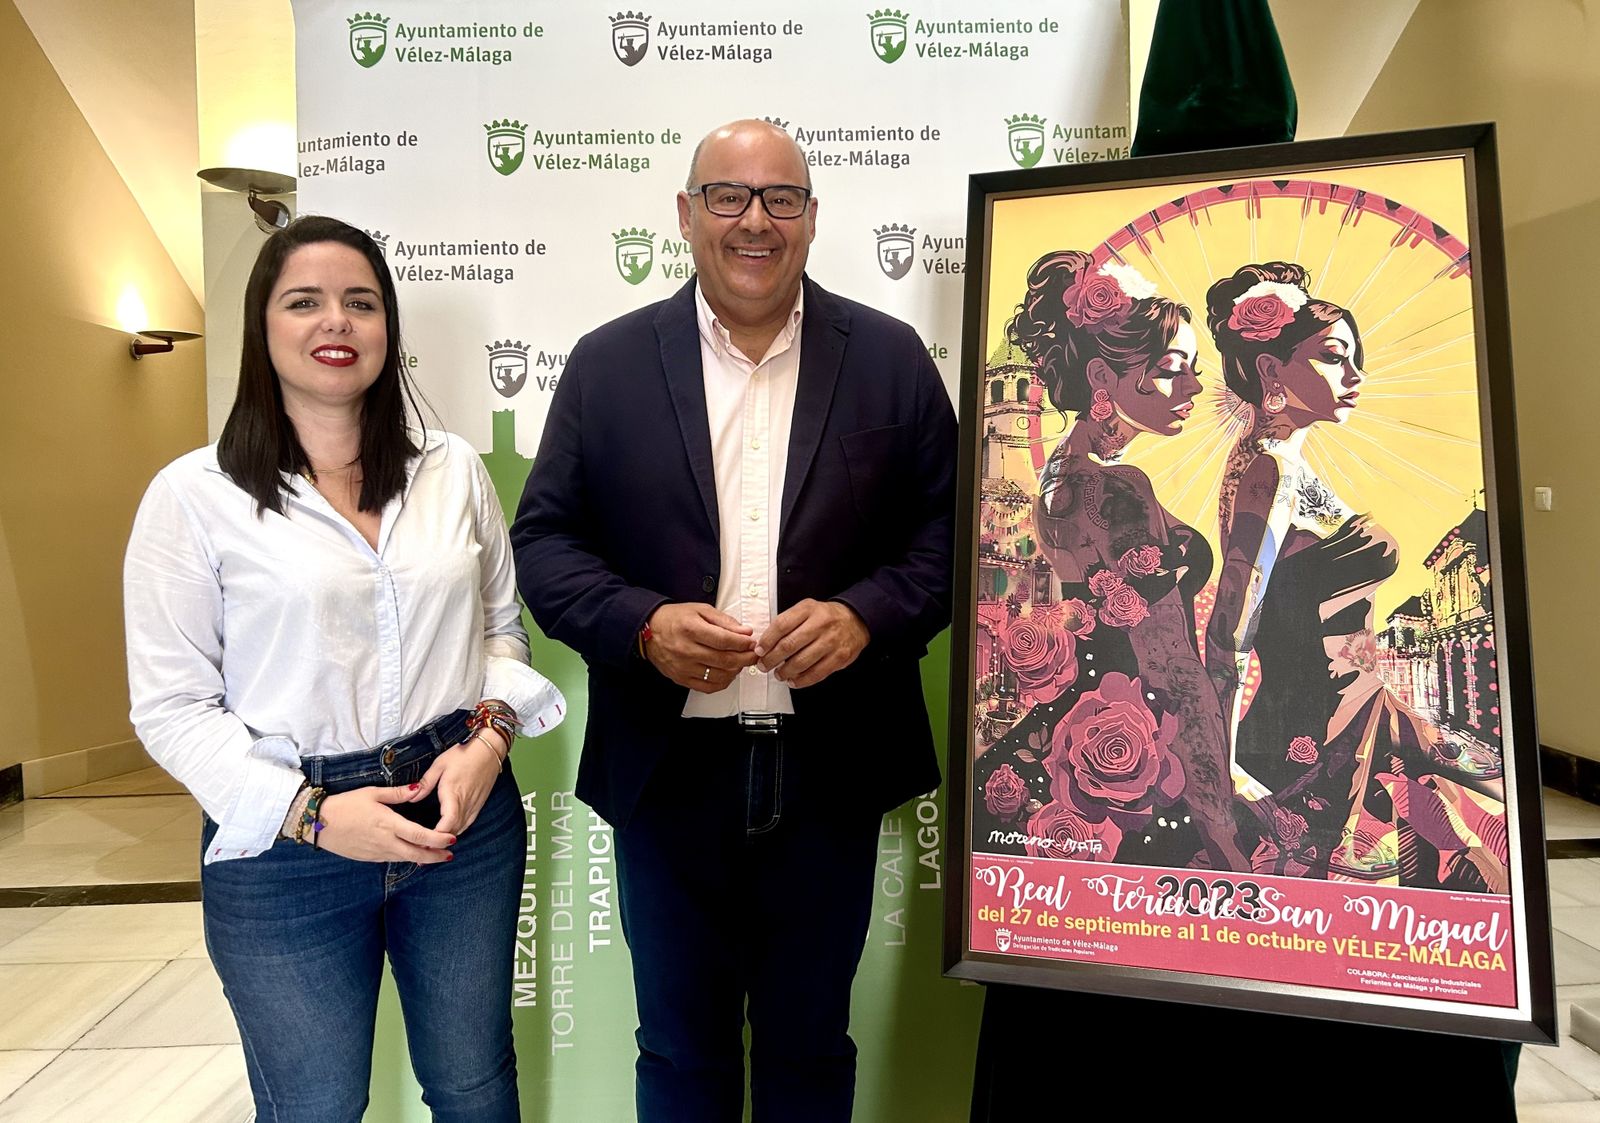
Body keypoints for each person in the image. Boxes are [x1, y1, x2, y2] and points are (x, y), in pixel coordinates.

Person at [511, 119, 955, 1122]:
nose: (755, 220)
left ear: (811, 217)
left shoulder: (888, 358)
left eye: (780, 198)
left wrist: (865, 615)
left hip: (831, 768)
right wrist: (642, 626)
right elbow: (543, 544)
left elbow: (955, 535)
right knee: (679, 1053)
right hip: (669, 772)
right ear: (686, 213)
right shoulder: (607, 364)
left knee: (811, 1048)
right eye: (728, 196)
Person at [123, 215, 564, 1123]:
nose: (337, 321)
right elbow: (171, 706)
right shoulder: (194, 496)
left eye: (361, 302)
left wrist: (489, 742)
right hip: (284, 846)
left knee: (477, 1089)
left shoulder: (451, 469)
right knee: (315, 1105)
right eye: (305, 302)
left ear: (387, 328)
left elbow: (500, 630)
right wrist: (314, 814)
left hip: (459, 814)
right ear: (262, 326)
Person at [1203, 262, 1505, 889]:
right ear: (1271, 370)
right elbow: (1232, 626)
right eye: (1335, 357)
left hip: (1363, 715)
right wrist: (1221, 764)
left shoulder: (1284, 467)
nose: (1356, 375)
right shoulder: (1268, 470)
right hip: (1315, 732)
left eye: (1355, 357)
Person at [972, 249, 1245, 873]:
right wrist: (1219, 822)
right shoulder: (1120, 489)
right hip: (1144, 749)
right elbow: (1173, 668)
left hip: (1079, 734)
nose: (1194, 387)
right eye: (1171, 369)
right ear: (1102, 377)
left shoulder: (1059, 475)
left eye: (1194, 369)